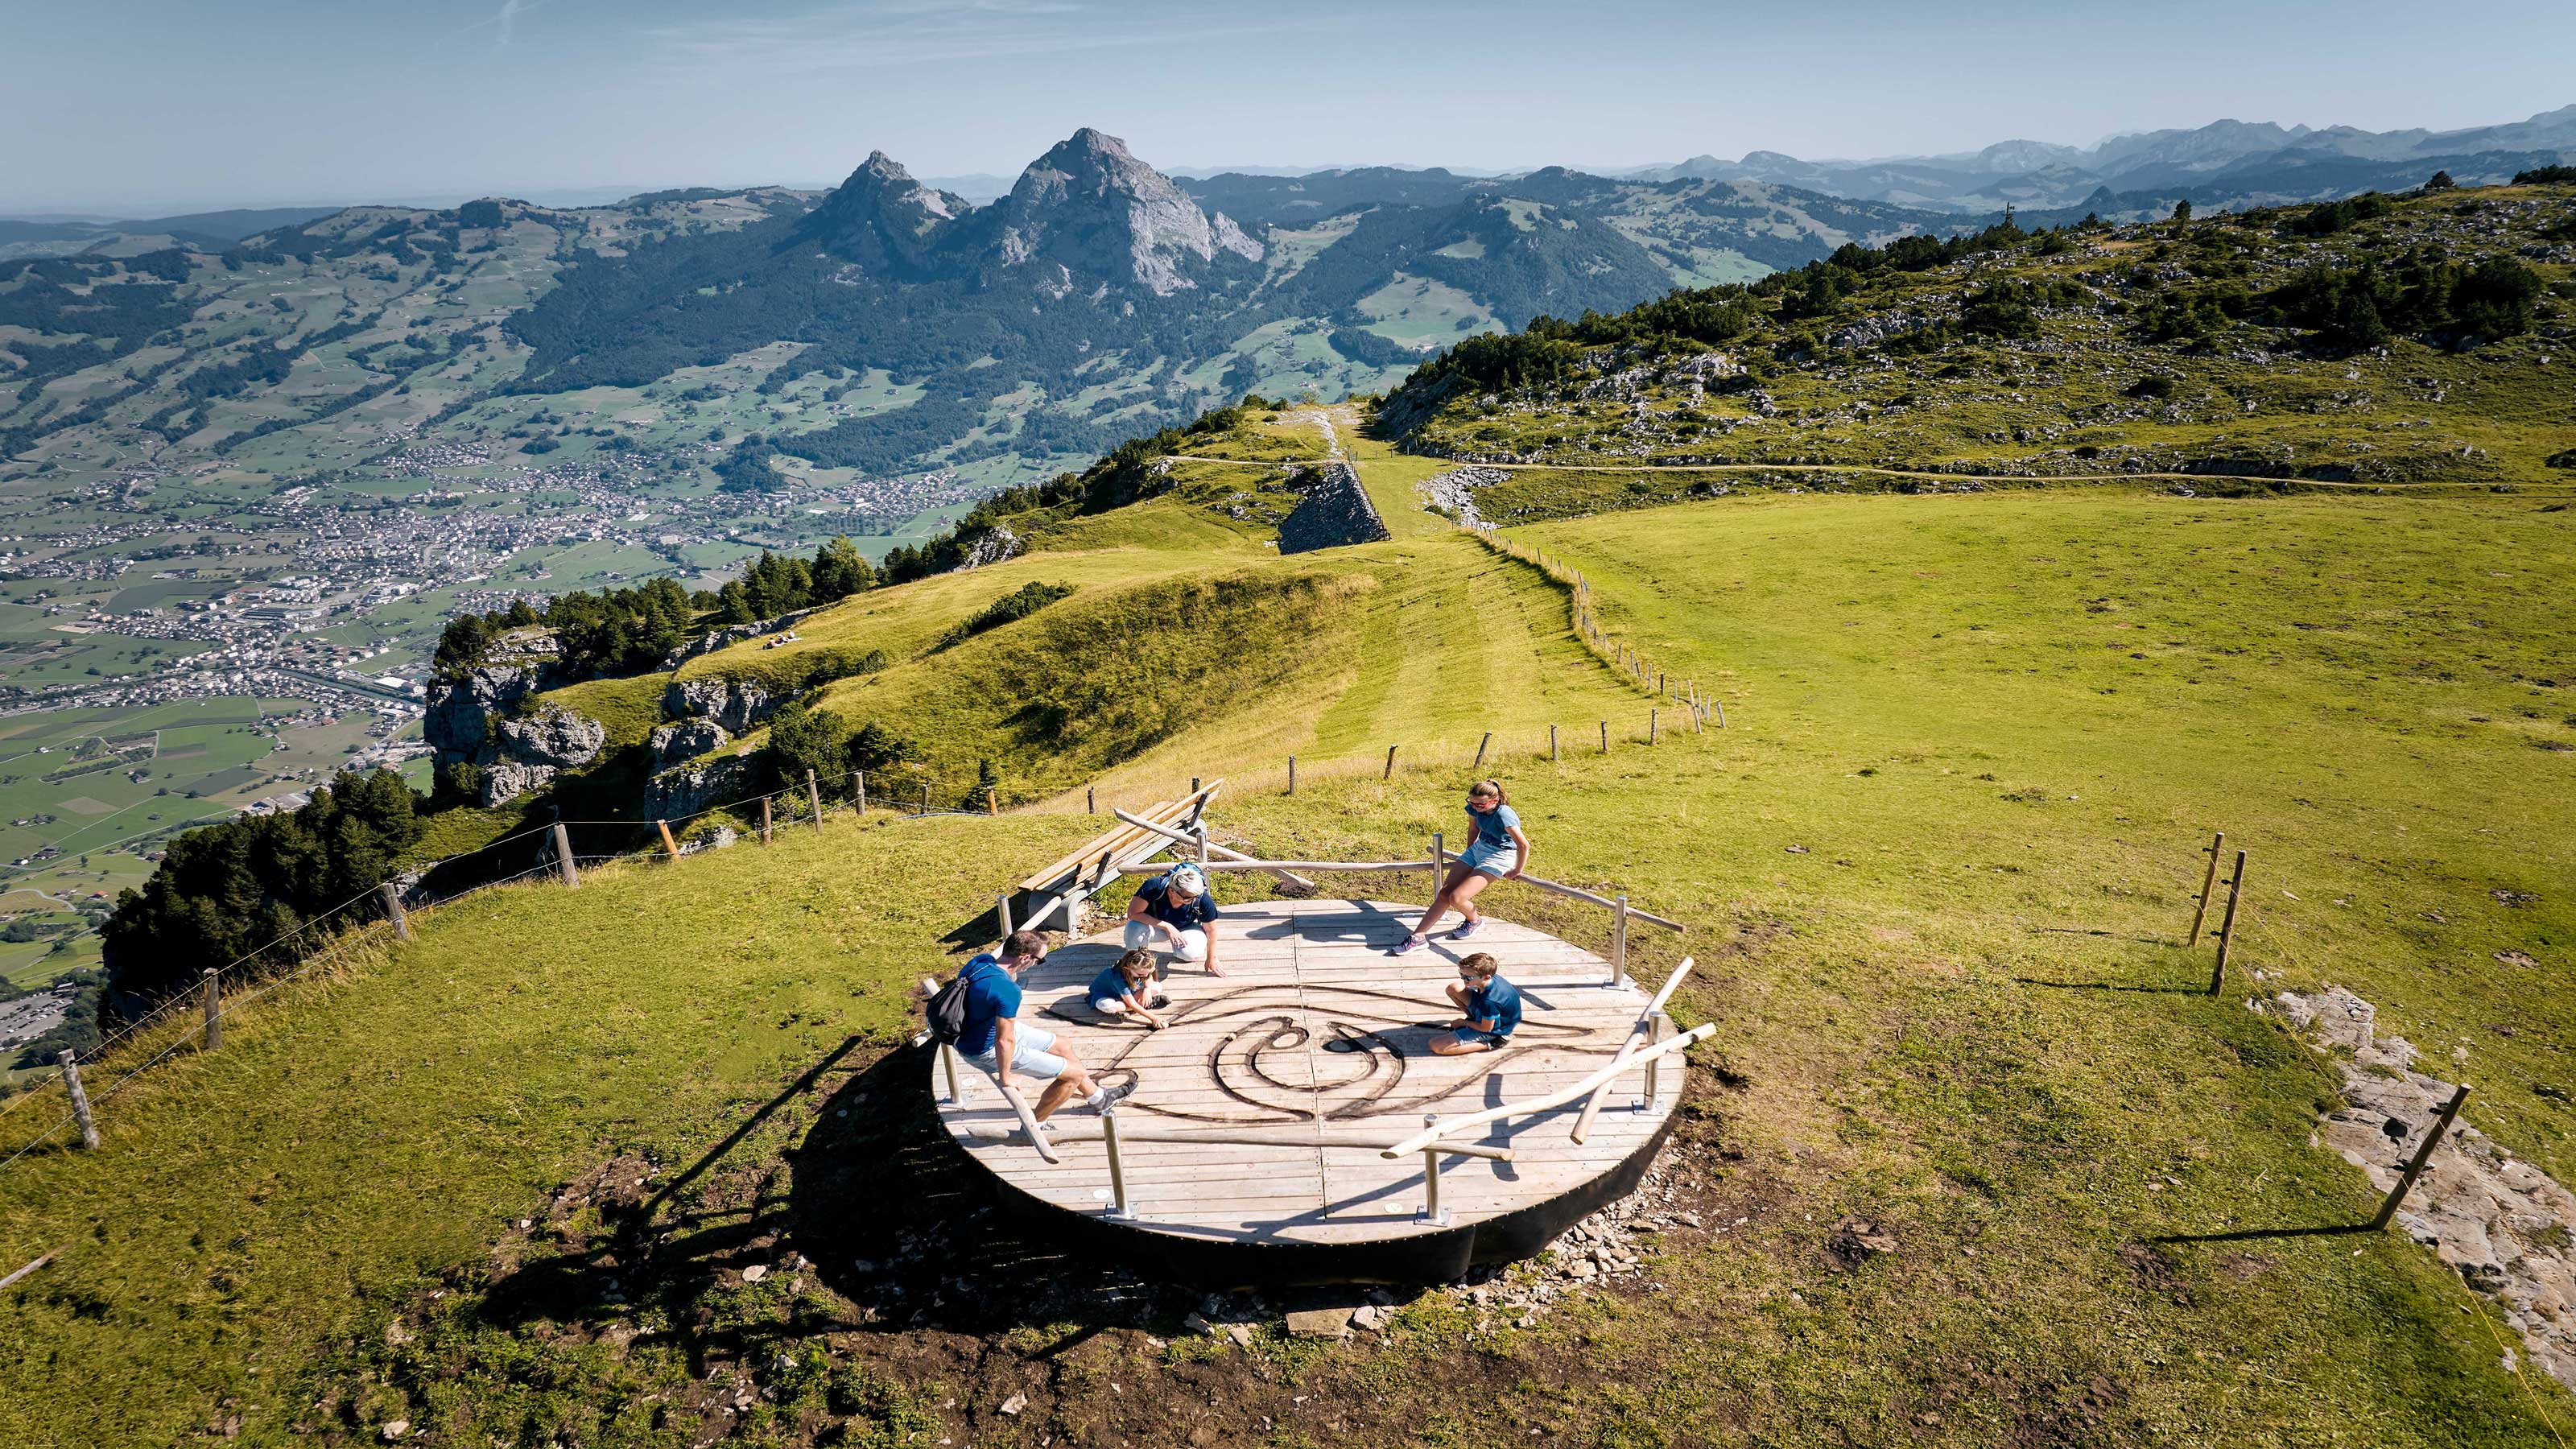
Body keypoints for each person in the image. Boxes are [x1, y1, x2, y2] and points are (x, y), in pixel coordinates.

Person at [953, 928, 1133, 1121]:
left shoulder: (980, 962)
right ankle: (1034, 1126)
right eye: (1039, 961)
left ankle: (1098, 1098)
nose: (1037, 965)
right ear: (1024, 958)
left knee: (1063, 1044)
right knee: (1075, 1074)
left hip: (976, 1028)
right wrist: (1006, 1077)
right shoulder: (1007, 990)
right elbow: (1004, 1041)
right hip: (981, 1049)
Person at [1391, 780, 1530, 955]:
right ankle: (1418, 937)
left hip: (1500, 856)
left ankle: (1474, 921)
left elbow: (1523, 845)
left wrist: (1517, 870)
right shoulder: (1474, 808)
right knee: (1444, 894)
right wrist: (1470, 854)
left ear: (1495, 800)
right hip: (1479, 848)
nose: (1475, 807)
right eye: (1471, 802)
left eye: (1481, 804)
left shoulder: (1504, 814)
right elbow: (1473, 830)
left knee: (1456, 898)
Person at [1126, 863, 1223, 976]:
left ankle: (1180, 951)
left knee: (1190, 954)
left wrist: (1212, 957)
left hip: (1185, 928)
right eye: (1188, 899)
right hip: (1153, 927)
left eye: (1196, 897)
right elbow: (1133, 913)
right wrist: (1167, 926)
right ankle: (1135, 961)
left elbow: (1211, 930)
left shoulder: (1202, 899)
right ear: (1172, 891)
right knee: (1134, 926)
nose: (1193, 900)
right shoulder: (1153, 886)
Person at [1431, 952, 1521, 1055]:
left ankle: (1491, 1043)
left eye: (1468, 978)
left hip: (1496, 1030)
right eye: (1462, 974)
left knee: (1436, 1046)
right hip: (1490, 1014)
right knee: (1453, 988)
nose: (1463, 979)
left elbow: (1486, 1028)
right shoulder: (1492, 977)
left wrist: (1463, 1023)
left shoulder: (1490, 1001)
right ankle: (1473, 1019)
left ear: (1486, 977)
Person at [1088, 947, 1171, 1028]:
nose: (1145, 976)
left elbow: (1148, 977)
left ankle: (1130, 1009)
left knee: (1158, 986)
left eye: (1149, 972)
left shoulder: (1142, 969)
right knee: (1106, 1006)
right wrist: (1154, 1018)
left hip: (1129, 994)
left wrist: (1147, 989)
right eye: (1140, 975)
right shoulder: (1117, 978)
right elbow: (1132, 1003)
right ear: (1127, 969)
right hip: (1108, 995)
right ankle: (1143, 1004)